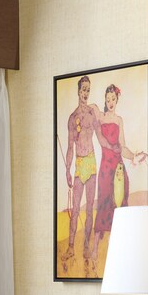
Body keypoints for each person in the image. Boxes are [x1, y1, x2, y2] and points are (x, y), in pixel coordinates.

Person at [84, 82, 148, 269]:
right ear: (105, 99)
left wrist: (135, 155)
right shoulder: (101, 118)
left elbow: (123, 147)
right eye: (108, 98)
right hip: (106, 167)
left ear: (117, 100)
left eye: (114, 98)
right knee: (104, 201)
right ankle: (95, 247)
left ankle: (117, 249)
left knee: (119, 205)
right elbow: (101, 139)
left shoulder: (119, 120)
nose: (111, 101)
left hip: (118, 168)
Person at [59, 75, 98, 273]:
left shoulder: (92, 113)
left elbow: (101, 137)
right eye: (83, 89)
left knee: (89, 208)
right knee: (75, 210)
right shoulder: (72, 118)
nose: (85, 93)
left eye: (88, 90)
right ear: (78, 91)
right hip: (79, 164)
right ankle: (71, 247)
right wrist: (67, 169)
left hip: (91, 164)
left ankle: (85, 248)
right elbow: (69, 148)